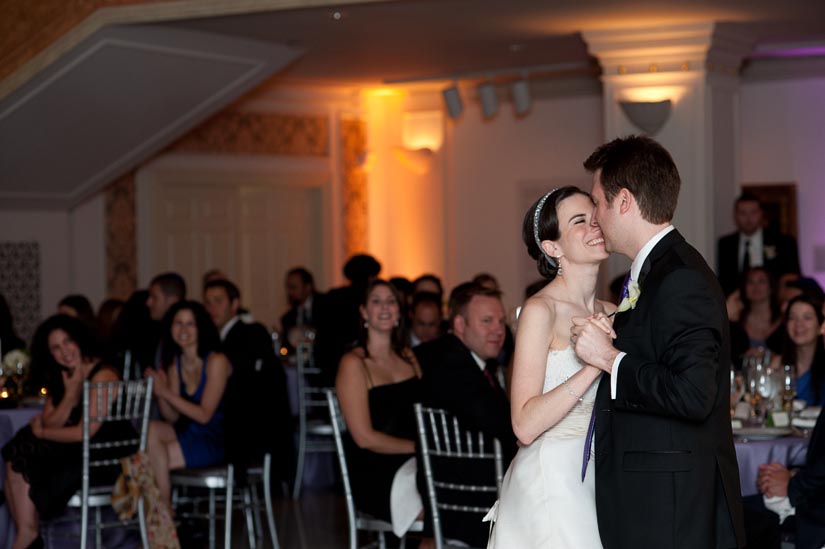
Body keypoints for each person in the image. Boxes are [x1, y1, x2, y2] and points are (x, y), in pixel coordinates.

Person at [572, 135, 745, 548]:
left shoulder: (679, 277)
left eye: (598, 202)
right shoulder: (656, 271)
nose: (594, 217)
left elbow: (692, 393)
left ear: (625, 201)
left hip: (670, 507)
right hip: (654, 498)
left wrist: (611, 358)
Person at [487, 186, 610, 548]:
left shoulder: (617, 312)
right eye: (579, 222)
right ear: (552, 247)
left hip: (601, 472)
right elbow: (523, 426)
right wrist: (593, 365)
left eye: (595, 216)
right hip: (553, 477)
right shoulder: (541, 311)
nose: (596, 226)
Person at [2, 315, 132, 549]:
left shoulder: (104, 374)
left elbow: (85, 432)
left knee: (26, 446)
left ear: (80, 340)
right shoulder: (63, 375)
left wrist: (42, 434)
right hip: (75, 452)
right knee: (19, 446)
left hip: (103, 459)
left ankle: (27, 533)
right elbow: (51, 422)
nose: (64, 352)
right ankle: (27, 530)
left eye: (68, 342)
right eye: (56, 348)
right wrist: (71, 395)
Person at [415, 282, 517, 547]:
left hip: (465, 479)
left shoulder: (466, 358)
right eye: (487, 321)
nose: (499, 330)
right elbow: (498, 421)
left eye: (501, 321)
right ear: (460, 325)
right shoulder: (452, 364)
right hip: (466, 491)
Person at [335, 279, 422, 533]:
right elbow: (363, 438)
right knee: (442, 506)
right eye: (376, 301)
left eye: (391, 301)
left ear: (399, 311)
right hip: (377, 471)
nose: (384, 307)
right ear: (364, 311)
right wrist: (419, 449)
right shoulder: (353, 364)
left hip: (417, 462)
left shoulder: (408, 356)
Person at [143, 301, 232, 506]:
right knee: (150, 430)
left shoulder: (216, 361)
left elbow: (204, 415)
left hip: (215, 436)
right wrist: (161, 394)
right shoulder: (176, 364)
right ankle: (165, 509)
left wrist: (166, 392)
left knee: (149, 463)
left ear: (201, 327)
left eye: (190, 324)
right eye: (178, 323)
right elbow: (173, 417)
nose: (183, 330)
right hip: (189, 431)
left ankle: (163, 511)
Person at [203, 279, 294, 480]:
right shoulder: (212, 338)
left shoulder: (251, 333)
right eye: (207, 302)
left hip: (246, 432)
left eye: (218, 301)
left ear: (235, 304)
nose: (211, 308)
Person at [750, 315, 825, 549]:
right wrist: (791, 476)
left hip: (818, 511)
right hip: (813, 490)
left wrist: (793, 485)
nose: (823, 330)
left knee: (732, 515)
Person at [717, 192, 800, 297]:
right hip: (737, 303)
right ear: (735, 216)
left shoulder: (783, 242)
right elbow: (724, 279)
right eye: (743, 213)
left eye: (753, 212)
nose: (748, 218)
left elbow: (793, 275)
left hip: (774, 301)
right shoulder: (726, 244)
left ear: (761, 213)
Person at [770, 295, 825, 406]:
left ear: (821, 326)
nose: (798, 324)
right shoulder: (777, 364)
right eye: (792, 318)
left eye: (807, 318)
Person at [280, 267, 326, 353]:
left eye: (293, 287)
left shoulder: (327, 306)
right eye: (288, 287)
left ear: (308, 287)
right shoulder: (288, 318)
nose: (290, 292)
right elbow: (285, 348)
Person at [737, 266, 783, 352]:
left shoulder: (784, 321)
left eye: (761, 281)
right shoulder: (736, 321)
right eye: (750, 282)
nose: (756, 286)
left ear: (771, 287)